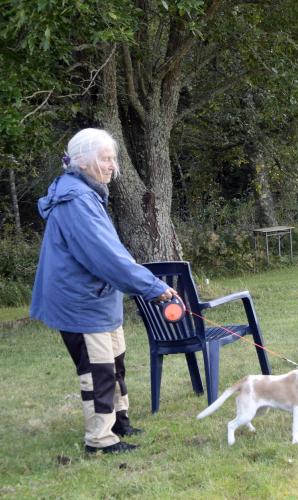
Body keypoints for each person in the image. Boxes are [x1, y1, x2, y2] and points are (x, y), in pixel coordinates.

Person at [30, 128, 177, 454]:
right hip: (80, 302)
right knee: (98, 371)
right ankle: (99, 439)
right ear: (81, 161)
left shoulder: (85, 191)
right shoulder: (77, 199)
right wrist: (152, 287)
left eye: (113, 159)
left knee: (114, 362)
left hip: (99, 298)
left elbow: (108, 252)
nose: (112, 166)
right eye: (105, 159)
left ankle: (119, 421)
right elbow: (106, 256)